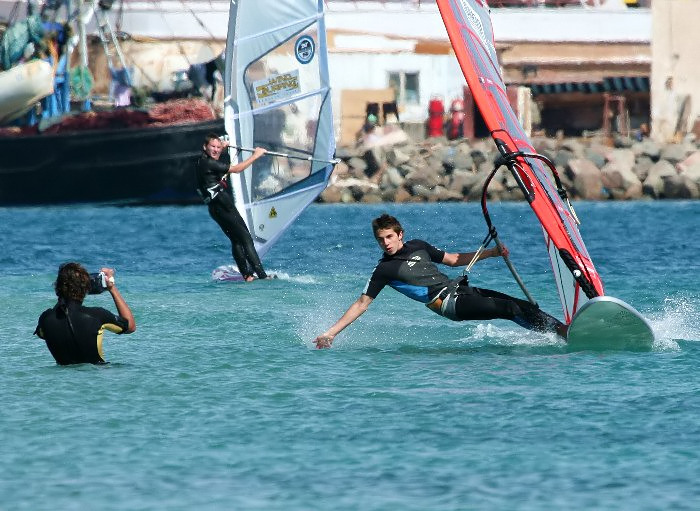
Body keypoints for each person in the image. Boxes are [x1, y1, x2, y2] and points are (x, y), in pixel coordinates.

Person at [314, 214, 567, 349]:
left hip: (461, 290)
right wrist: (330, 333)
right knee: (508, 309)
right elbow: (361, 303)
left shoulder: (418, 246)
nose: (386, 243)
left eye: (389, 237)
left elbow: (454, 259)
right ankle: (560, 334)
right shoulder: (384, 269)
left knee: (519, 303)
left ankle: (560, 330)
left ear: (400, 234)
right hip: (449, 305)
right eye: (380, 239)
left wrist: (491, 253)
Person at [196, 133, 268, 281]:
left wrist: (223, 146)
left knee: (236, 240)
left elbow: (218, 164)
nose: (216, 150)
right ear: (205, 147)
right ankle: (262, 276)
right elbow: (236, 169)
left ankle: (247, 275)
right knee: (246, 239)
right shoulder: (209, 163)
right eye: (212, 147)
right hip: (224, 205)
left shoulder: (201, 162)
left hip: (215, 208)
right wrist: (256, 155)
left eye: (218, 147)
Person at [34, 263, 136, 365]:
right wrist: (112, 288)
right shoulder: (97, 315)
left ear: (57, 286)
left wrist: (62, 294)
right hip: (96, 376)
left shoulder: (45, 319)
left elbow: (42, 334)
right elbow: (130, 326)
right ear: (87, 288)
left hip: (63, 379)